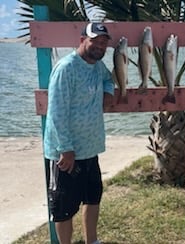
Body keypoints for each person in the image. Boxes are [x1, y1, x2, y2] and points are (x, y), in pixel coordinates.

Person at [43, 22, 114, 244]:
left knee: (92, 198)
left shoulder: (97, 66)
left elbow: (108, 78)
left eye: (103, 43)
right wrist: (66, 149)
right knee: (64, 206)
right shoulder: (66, 68)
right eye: (95, 41)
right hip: (65, 154)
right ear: (82, 40)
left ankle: (91, 241)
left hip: (90, 149)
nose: (99, 46)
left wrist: (108, 92)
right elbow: (56, 112)